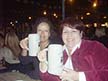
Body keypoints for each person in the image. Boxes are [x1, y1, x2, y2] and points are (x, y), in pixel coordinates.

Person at [38, 17, 108, 81]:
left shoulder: (94, 47)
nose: (69, 35)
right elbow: (51, 78)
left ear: (81, 34)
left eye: (74, 31)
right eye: (65, 32)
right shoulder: (59, 52)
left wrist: (78, 76)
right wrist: (43, 64)